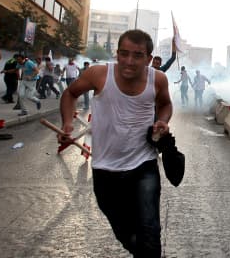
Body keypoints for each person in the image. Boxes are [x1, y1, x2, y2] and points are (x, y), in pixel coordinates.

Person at [58, 29, 172, 257]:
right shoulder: (98, 74)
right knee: (124, 232)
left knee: (150, 230)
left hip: (144, 165)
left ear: (149, 59)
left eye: (138, 55)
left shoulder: (157, 79)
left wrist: (162, 120)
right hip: (105, 169)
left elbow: (165, 104)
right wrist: (67, 124)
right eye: (124, 53)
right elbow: (70, 94)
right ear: (117, 53)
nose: (129, 62)